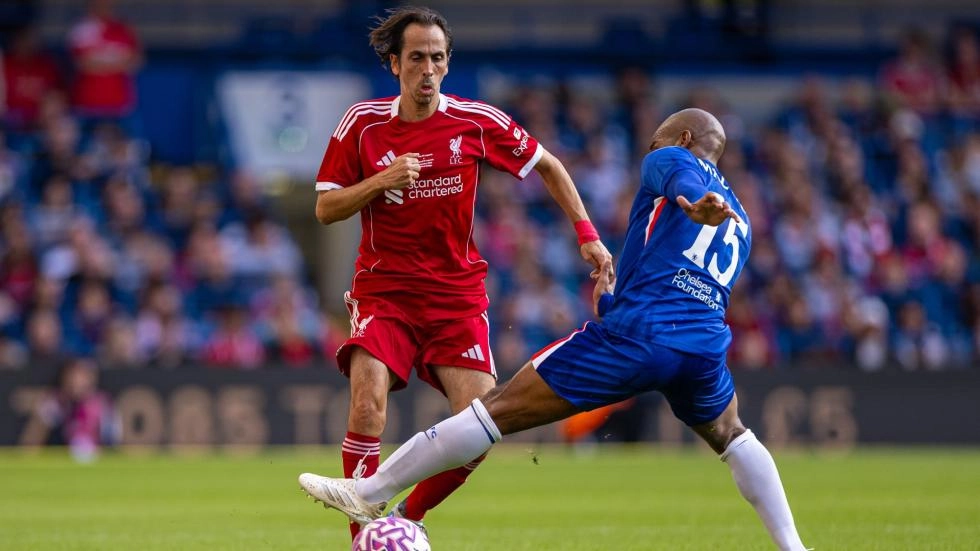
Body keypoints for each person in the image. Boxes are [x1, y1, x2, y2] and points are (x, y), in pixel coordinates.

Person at [300, 108, 810, 550]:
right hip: (702, 350)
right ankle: (793, 546)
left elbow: (683, 183)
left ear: (682, 138)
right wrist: (609, 297)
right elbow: (682, 285)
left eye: (656, 141)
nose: (650, 151)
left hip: (638, 336)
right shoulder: (742, 220)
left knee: (495, 408)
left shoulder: (672, 159)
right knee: (733, 436)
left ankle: (369, 491)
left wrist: (694, 201)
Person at [310, 5, 610, 539]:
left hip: (456, 296)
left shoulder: (475, 121)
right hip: (385, 290)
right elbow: (326, 208)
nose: (428, 69)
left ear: (448, 64)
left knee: (482, 423)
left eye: (437, 58)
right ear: (395, 64)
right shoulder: (362, 123)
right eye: (416, 58)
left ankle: (408, 517)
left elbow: (548, 164)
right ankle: (364, 542)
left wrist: (587, 234)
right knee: (367, 404)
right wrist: (380, 181)